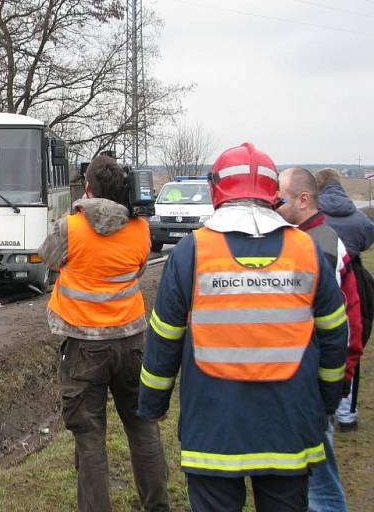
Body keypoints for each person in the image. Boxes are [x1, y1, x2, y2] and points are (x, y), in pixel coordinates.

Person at [139, 143, 348, 512]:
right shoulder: (307, 249)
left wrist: (153, 403)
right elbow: (334, 336)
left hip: (213, 431)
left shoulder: (192, 251)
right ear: (271, 193)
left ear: (216, 189)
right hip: (290, 426)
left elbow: (164, 337)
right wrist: (328, 401)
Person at [39, 154, 170, 512]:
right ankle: (157, 505)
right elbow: (140, 267)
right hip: (131, 342)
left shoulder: (71, 228)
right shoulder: (141, 229)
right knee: (143, 428)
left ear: (87, 188)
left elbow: (47, 258)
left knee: (90, 438)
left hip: (82, 347)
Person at [277, 167, 362, 512]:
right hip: (312, 375)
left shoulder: (320, 246)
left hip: (317, 379)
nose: (274, 204)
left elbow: (337, 324)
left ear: (303, 199)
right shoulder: (313, 239)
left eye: (280, 197)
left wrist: (337, 380)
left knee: (320, 481)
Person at [315, 167, 374, 432]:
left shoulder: (316, 215)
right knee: (352, 340)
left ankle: (323, 402)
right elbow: (368, 237)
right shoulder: (357, 214)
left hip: (323, 276)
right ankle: (347, 413)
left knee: (323, 340)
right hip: (354, 277)